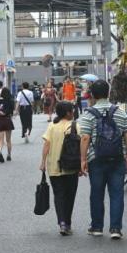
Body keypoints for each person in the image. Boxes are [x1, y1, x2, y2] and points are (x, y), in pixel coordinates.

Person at [79, 79, 127, 240]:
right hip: (117, 158)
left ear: (93, 95)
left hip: (96, 159)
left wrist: (83, 159)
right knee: (117, 193)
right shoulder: (119, 112)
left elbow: (84, 138)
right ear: (108, 93)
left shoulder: (88, 114)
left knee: (96, 193)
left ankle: (96, 227)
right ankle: (116, 228)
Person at [40, 101, 81, 235]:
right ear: (68, 113)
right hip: (71, 167)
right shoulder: (75, 126)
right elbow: (81, 146)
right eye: (72, 110)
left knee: (59, 195)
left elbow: (46, 145)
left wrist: (42, 162)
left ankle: (62, 222)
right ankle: (67, 223)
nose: (74, 112)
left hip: (54, 167)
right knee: (70, 195)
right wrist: (82, 164)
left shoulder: (52, 126)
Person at [0, 87, 15, 163]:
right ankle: (9, 155)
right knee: (8, 140)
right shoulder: (10, 102)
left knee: (0, 140)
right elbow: (11, 112)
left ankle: (0, 152)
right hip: (7, 120)